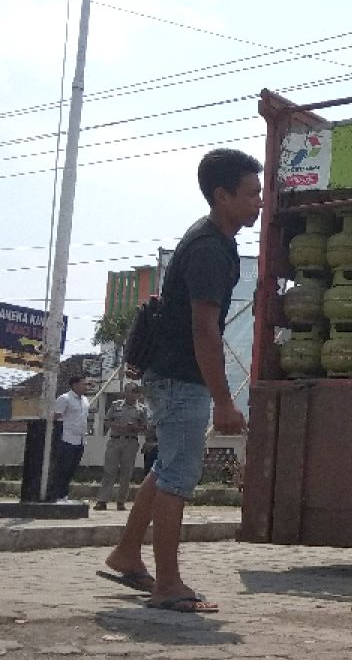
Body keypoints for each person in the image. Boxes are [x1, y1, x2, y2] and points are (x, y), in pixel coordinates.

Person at [99, 148, 262, 612]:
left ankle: (127, 553)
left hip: (172, 375)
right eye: (251, 194)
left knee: (166, 467)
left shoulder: (215, 240)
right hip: (179, 378)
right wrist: (225, 401)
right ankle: (168, 584)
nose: (259, 202)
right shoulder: (210, 247)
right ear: (222, 195)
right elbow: (203, 329)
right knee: (179, 476)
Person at [94, 382, 148, 511]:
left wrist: (134, 428)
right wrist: (118, 426)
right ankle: (102, 500)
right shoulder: (115, 405)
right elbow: (107, 421)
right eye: (129, 391)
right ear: (125, 392)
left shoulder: (142, 409)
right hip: (115, 440)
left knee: (126, 472)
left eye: (134, 392)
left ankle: (121, 501)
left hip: (131, 441)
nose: (131, 395)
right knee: (109, 470)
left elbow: (146, 428)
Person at [48, 375, 90, 501]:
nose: (86, 387)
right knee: (62, 468)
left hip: (81, 439)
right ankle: (56, 495)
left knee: (72, 469)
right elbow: (55, 417)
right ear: (75, 385)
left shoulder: (85, 400)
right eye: (84, 384)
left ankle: (64, 495)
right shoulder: (65, 398)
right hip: (67, 439)